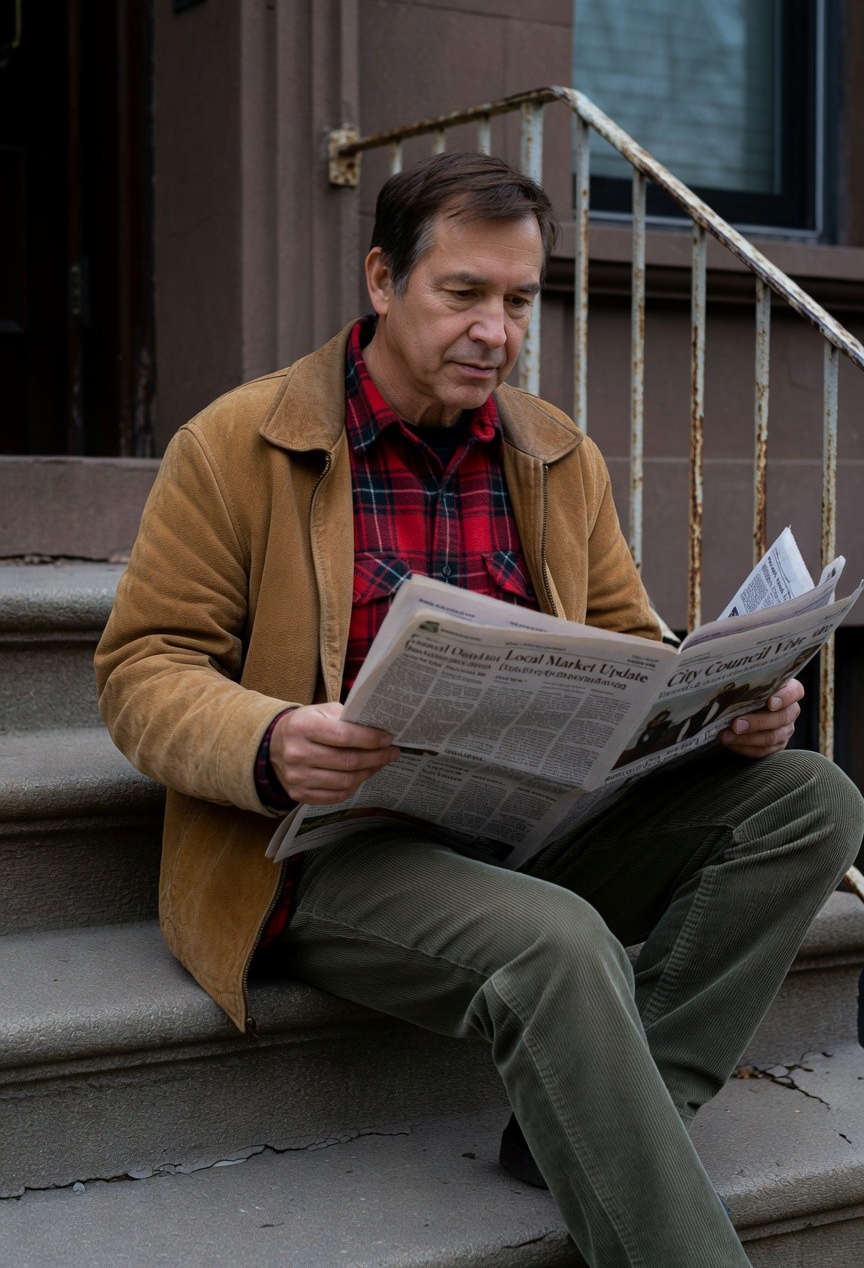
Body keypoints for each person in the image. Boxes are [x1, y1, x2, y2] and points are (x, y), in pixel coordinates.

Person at [95, 152, 863, 1268]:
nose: (495, 330)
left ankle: (596, 1121)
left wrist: (725, 708)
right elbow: (142, 668)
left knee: (810, 800)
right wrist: (267, 740)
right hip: (328, 855)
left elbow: (628, 642)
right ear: (381, 281)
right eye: (463, 293)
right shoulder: (236, 446)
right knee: (558, 948)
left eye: (518, 300)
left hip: (524, 830)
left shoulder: (554, 453)